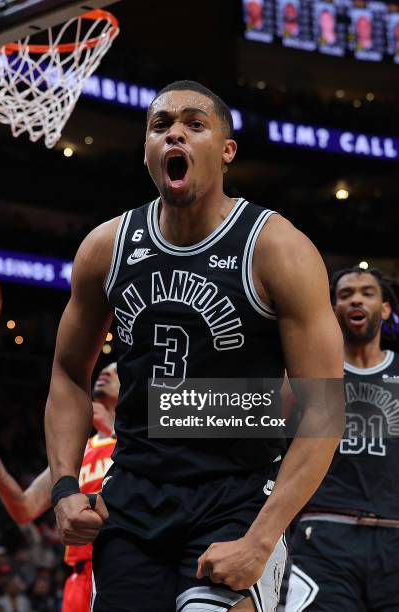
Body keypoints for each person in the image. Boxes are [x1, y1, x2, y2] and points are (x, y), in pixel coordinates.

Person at [45, 80, 343, 612]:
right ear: (147, 151)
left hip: (237, 496)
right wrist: (65, 486)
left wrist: (261, 537)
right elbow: (69, 373)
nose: (174, 133)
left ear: (226, 151)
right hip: (133, 498)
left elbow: (324, 410)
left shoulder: (277, 248)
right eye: (160, 126)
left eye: (194, 124)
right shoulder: (106, 247)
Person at [0, 363, 119, 612]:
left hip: (121, 570)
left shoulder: (138, 444)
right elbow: (24, 507)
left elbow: (198, 420)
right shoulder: (77, 451)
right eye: (103, 370)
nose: (106, 373)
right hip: (79, 579)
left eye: (116, 371)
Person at [285, 267, 399, 611]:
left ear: (385, 309)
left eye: (367, 292)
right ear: (332, 308)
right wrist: (159, 408)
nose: (356, 299)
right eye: (345, 294)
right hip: (323, 535)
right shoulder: (309, 373)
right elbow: (239, 416)